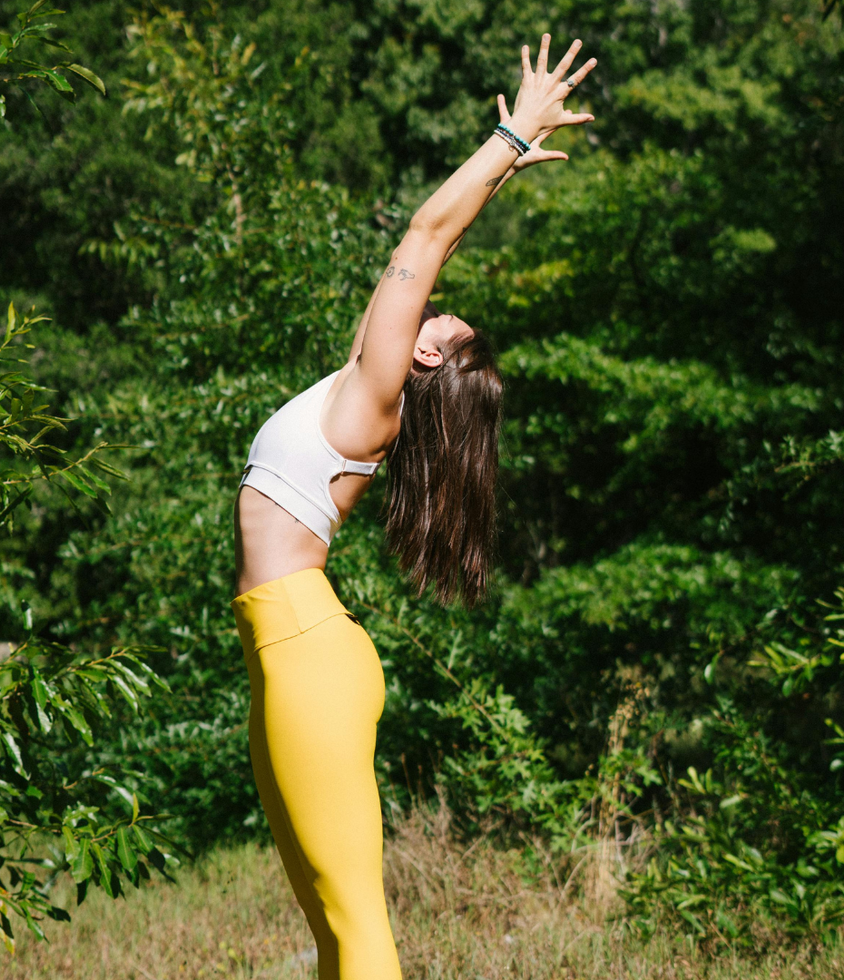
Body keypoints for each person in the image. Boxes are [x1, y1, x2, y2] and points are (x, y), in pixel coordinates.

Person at [230, 33, 597, 980]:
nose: (427, 308)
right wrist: (504, 172)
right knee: (333, 931)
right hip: (287, 649)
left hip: (309, 658)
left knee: (359, 932)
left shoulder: (372, 400)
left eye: (439, 318)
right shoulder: (360, 385)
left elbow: (424, 239)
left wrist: (510, 132)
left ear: (426, 356)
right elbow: (443, 239)